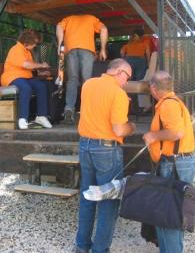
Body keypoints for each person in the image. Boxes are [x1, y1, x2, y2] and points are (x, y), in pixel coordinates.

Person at [76, 58, 136, 253]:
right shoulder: (118, 93)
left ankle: (82, 246)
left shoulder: (88, 84)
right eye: (127, 77)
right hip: (106, 150)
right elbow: (119, 129)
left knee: (87, 197)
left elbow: (97, 105)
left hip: (85, 145)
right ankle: (100, 249)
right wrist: (132, 127)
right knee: (108, 200)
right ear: (119, 72)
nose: (126, 82)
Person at [143, 71, 195, 253]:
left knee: (167, 216)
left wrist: (152, 136)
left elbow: (176, 133)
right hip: (177, 163)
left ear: (154, 88)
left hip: (173, 165)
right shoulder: (174, 102)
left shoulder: (168, 105)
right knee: (173, 215)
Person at [56, 14, 108, 124]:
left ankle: (69, 108)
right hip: (87, 49)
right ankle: (87, 111)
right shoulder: (92, 18)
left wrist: (60, 43)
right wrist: (103, 49)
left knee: (72, 79)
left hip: (71, 48)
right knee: (87, 81)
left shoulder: (68, 18)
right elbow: (104, 29)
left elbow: (59, 26)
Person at [1, 28, 52, 129]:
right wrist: (41, 65)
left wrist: (41, 73)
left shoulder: (27, 52)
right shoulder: (16, 49)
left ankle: (41, 116)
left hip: (25, 77)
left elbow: (31, 67)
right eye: (35, 43)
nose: (35, 46)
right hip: (12, 77)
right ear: (27, 42)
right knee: (26, 87)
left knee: (41, 86)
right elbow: (26, 65)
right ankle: (23, 118)